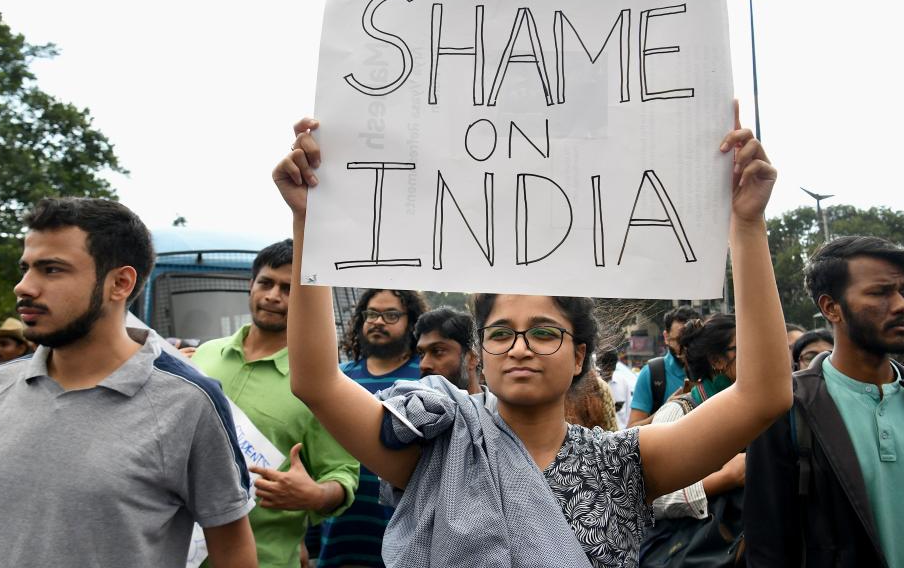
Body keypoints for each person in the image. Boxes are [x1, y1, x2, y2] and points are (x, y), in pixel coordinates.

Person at [271, 107, 792, 567]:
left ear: (579, 355)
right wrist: (307, 224)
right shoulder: (433, 449)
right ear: (483, 354)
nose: (519, 346)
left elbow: (763, 396)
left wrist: (747, 226)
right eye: (501, 333)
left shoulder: (625, 463)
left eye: (543, 333)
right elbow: (316, 381)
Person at [0, 197, 257, 567]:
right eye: (26, 268)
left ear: (120, 283)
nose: (24, 287)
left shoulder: (189, 403)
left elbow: (233, 550)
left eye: (51, 270)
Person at [745, 235, 904, 567]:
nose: (902, 305)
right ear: (830, 307)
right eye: (880, 293)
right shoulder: (787, 409)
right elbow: (768, 546)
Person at [191, 239, 359, 568]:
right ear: (250, 285)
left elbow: (343, 473)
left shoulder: (321, 384)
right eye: (266, 283)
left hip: (265, 559)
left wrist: (315, 495)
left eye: (288, 288)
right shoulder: (205, 355)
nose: (273, 296)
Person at [317, 287, 428, 568]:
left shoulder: (426, 378)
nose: (378, 321)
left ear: (412, 322)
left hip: (403, 538)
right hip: (339, 532)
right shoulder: (337, 378)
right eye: (372, 314)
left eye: (391, 315)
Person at [646, 314, 744, 521]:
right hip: (704, 548)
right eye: (747, 346)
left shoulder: (769, 407)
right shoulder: (678, 413)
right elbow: (651, 496)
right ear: (717, 360)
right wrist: (727, 477)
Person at [628, 305, 702, 426]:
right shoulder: (653, 373)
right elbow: (631, 429)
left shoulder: (713, 370)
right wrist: (666, 410)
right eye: (680, 340)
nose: (686, 348)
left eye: (692, 340)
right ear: (666, 337)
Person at [414, 306, 481, 394]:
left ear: (472, 358)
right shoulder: (404, 404)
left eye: (437, 351)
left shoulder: (499, 406)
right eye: (421, 354)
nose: (423, 365)